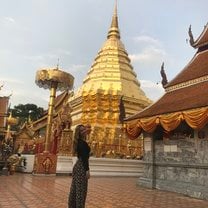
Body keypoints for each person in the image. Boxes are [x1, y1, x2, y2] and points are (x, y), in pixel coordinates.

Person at [68, 124, 91, 208]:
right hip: (81, 166)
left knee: (75, 190)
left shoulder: (78, 142)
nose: (84, 131)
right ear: (79, 133)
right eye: (82, 130)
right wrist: (87, 170)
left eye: (84, 129)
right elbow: (85, 158)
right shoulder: (82, 143)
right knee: (81, 191)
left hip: (77, 166)